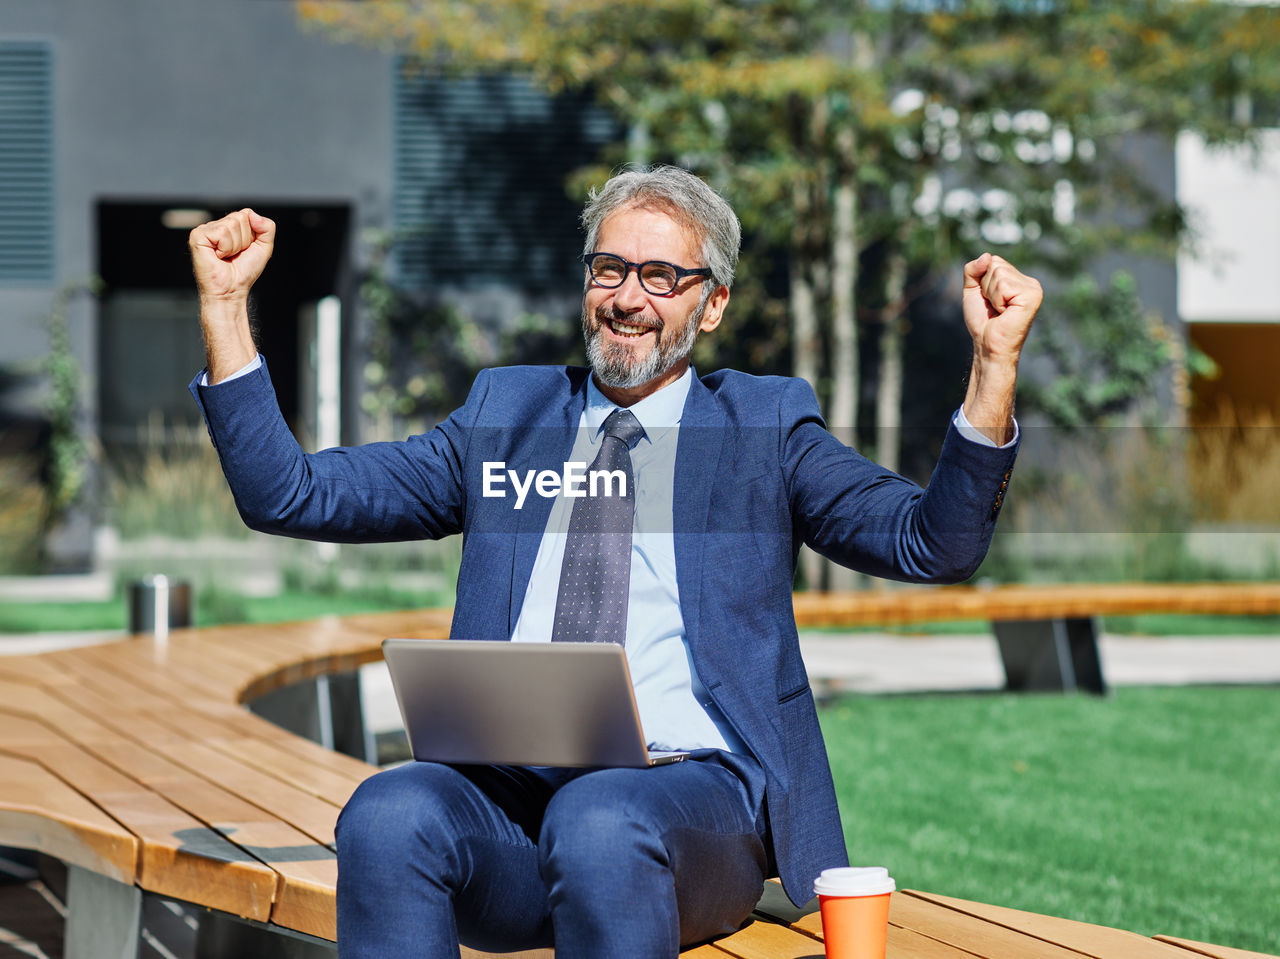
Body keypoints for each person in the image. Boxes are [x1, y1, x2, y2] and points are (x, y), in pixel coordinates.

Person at [188, 165, 1040, 959]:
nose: (628, 298)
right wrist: (227, 310)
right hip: (513, 806)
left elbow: (933, 542)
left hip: (690, 807)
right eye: (609, 270)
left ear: (712, 306)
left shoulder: (763, 429)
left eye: (661, 277)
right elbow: (289, 494)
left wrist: (992, 366)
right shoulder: (506, 415)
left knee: (600, 819)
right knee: (388, 812)